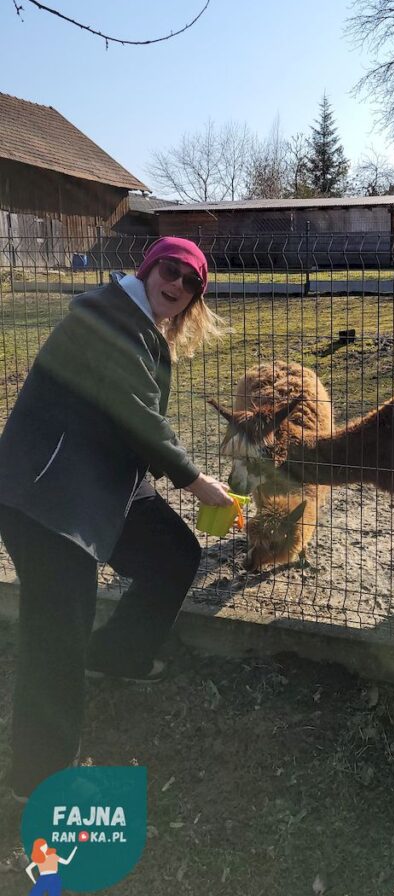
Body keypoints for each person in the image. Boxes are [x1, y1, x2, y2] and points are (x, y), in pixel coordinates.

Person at [0, 236, 233, 800]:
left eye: (190, 282)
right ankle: (37, 781)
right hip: (49, 498)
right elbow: (136, 415)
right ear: (148, 267)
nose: (177, 285)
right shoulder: (104, 317)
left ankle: (118, 655)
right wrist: (198, 482)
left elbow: (124, 419)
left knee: (173, 555)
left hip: (103, 482)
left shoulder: (138, 325)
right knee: (55, 639)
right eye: (171, 271)